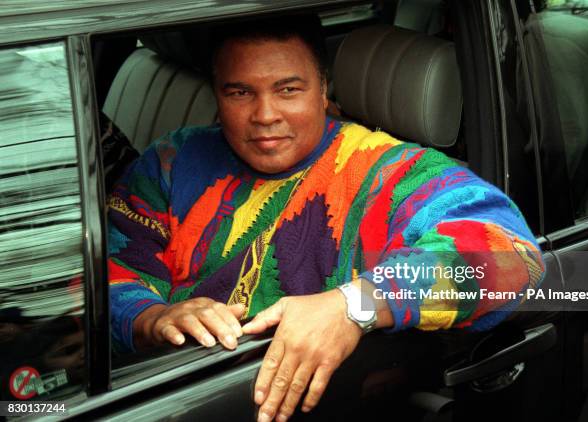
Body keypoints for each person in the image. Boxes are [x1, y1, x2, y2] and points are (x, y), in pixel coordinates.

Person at [107, 16, 545, 422]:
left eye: (288, 90)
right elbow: (107, 274)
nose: (264, 115)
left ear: (323, 89)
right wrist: (151, 318)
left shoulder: (387, 174)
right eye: (239, 92)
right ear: (217, 95)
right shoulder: (173, 160)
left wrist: (354, 305)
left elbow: (512, 261)